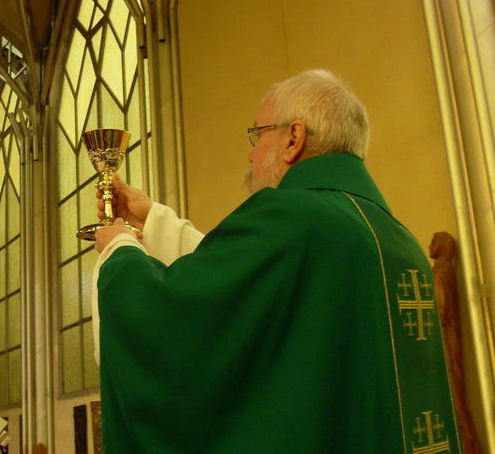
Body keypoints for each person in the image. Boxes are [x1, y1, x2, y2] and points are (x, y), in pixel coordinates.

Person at [91, 69, 462, 453]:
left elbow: (178, 320)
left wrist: (119, 252)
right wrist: (154, 219)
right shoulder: (397, 239)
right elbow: (250, 288)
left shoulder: (291, 217)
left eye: (258, 134)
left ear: (293, 138)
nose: (251, 154)